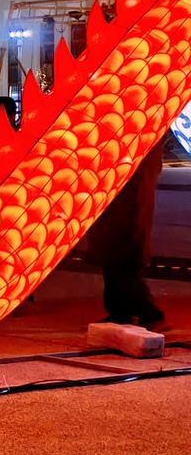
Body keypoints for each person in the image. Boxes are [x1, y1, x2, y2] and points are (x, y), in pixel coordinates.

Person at [89, 136, 168, 330]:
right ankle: (119, 313)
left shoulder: (141, 144)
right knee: (112, 261)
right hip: (116, 198)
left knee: (121, 261)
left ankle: (148, 313)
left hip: (126, 201)